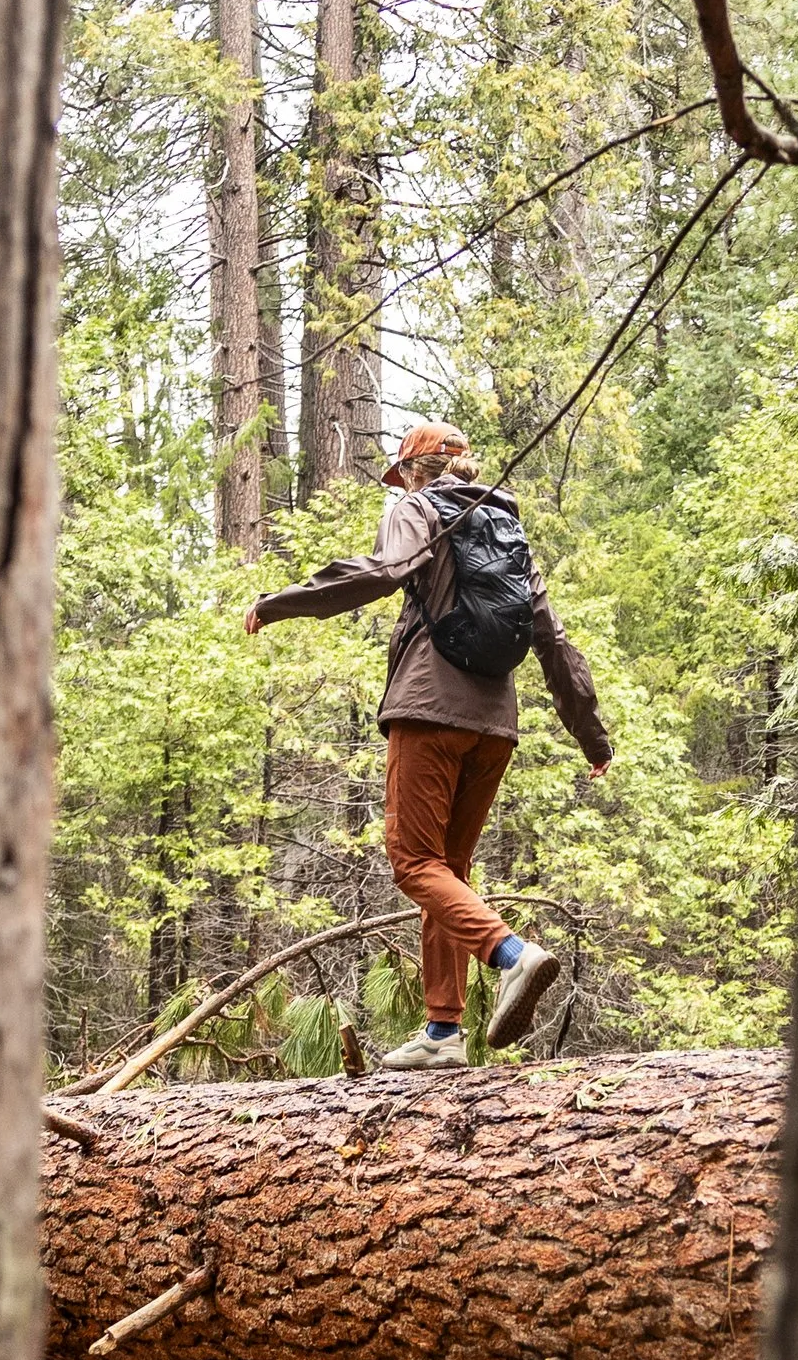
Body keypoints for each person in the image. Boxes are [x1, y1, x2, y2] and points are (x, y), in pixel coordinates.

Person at [244, 419, 612, 1072]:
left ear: (416, 472)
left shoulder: (417, 508)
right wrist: (591, 735)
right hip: (495, 724)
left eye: (403, 475)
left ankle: (511, 956)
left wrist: (280, 604)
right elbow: (551, 639)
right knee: (449, 871)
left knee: (414, 863)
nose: (402, 484)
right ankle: (443, 1032)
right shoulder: (508, 532)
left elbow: (385, 572)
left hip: (429, 708)